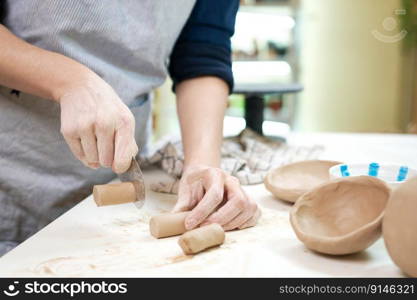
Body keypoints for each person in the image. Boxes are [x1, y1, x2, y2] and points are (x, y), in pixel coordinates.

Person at [0, 0, 260, 256]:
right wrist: (69, 80)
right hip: (15, 168)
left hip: (116, 175)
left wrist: (202, 165)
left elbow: (203, 53)